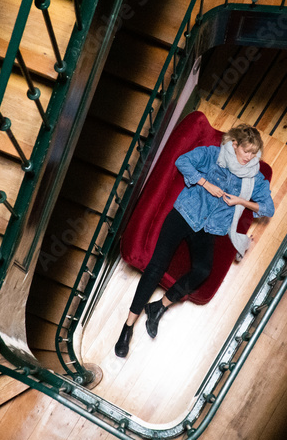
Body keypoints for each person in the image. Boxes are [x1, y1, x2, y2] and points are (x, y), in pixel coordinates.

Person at [115, 123, 275, 358]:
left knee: (202, 271)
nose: (249, 157)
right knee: (157, 266)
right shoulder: (213, 154)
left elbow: (268, 208)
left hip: (209, 228)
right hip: (184, 212)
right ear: (234, 144)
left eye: (254, 153)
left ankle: (159, 306)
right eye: (246, 151)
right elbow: (183, 161)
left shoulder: (255, 177)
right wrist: (204, 183)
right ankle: (127, 327)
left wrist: (241, 201)